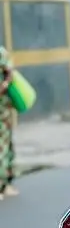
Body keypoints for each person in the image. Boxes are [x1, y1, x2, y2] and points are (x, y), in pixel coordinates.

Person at [0, 46, 18, 200]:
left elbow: (10, 74)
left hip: (3, 110)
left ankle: (4, 185)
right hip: (3, 110)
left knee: (5, 145)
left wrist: (3, 87)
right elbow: (10, 74)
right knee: (3, 146)